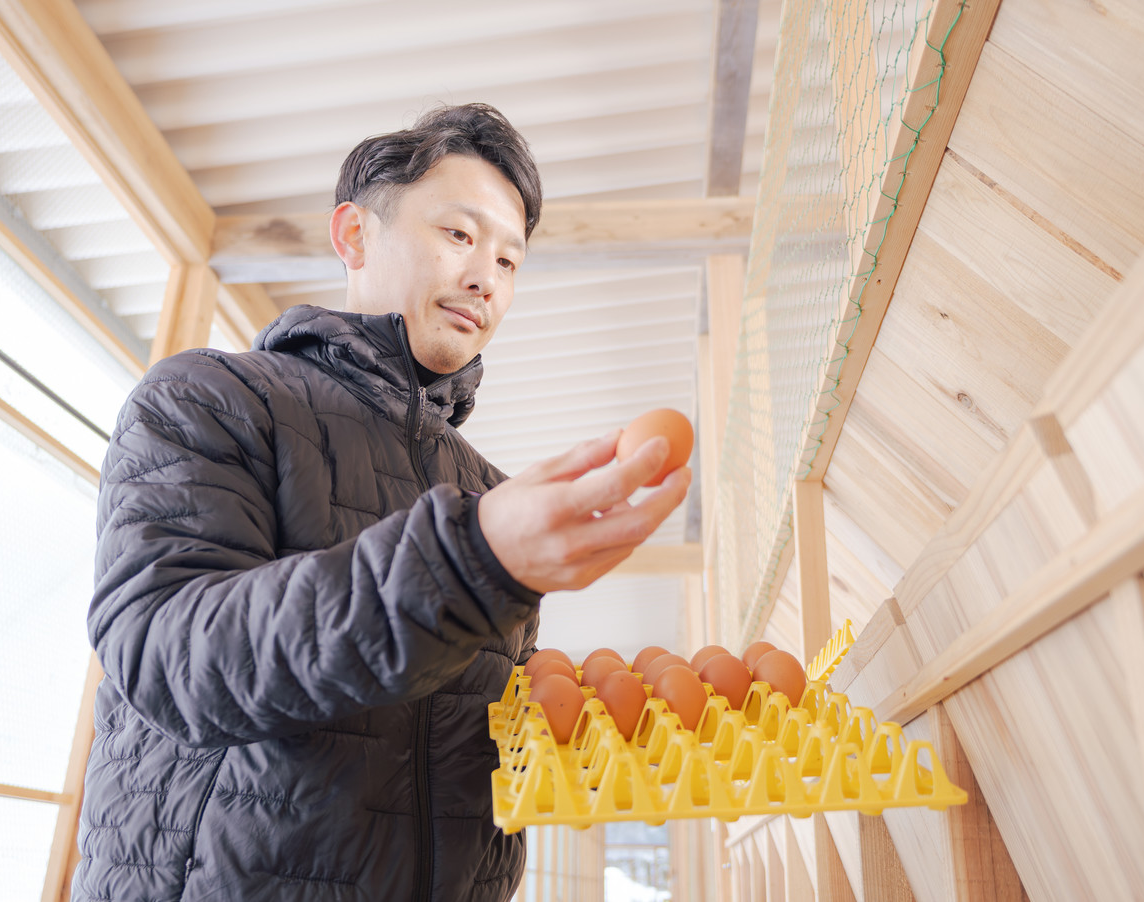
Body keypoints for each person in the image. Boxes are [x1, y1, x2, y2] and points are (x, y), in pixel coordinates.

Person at [72, 103, 691, 901]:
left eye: (510, 261)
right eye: (460, 235)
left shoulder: (489, 491)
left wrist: (564, 718)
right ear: (355, 236)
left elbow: (462, 734)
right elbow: (167, 656)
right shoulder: (211, 397)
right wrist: (470, 560)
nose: (486, 279)